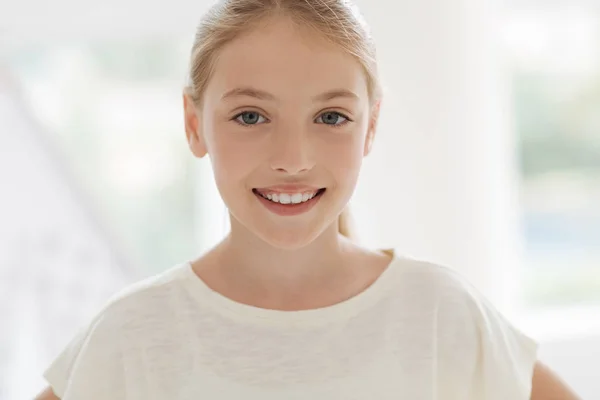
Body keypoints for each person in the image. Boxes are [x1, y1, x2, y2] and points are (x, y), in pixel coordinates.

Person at [36, 0, 581, 399]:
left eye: (331, 117)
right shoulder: (134, 334)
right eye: (251, 116)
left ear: (371, 127)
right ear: (193, 123)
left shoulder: (440, 314)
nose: (293, 158)